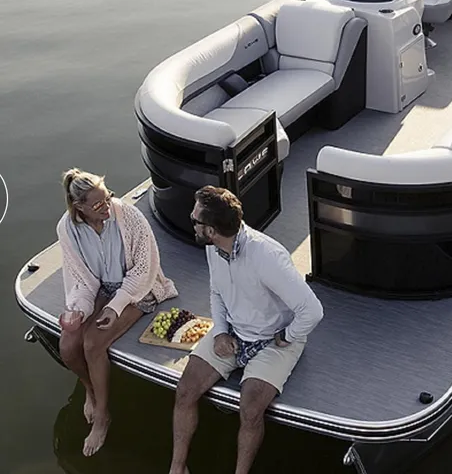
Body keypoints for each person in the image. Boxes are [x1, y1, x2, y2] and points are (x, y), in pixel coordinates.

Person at [169, 186, 323, 474]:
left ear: (212, 230)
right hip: (233, 331)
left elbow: (313, 311)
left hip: (274, 340)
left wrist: (287, 336)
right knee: (185, 391)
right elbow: (216, 292)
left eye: (195, 220)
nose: (191, 220)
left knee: (250, 410)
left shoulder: (266, 256)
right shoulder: (213, 248)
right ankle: (177, 468)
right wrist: (221, 332)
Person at [57, 168, 178, 457]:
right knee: (68, 344)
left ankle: (102, 416)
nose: (107, 207)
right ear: (79, 208)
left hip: (139, 288)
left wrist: (115, 306)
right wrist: (78, 310)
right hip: (100, 289)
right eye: (98, 205)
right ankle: (91, 390)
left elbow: (144, 269)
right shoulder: (67, 229)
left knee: (92, 343)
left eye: (107, 197)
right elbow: (83, 281)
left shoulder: (129, 217)